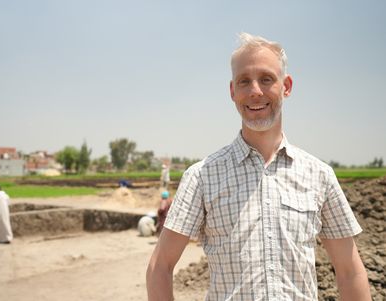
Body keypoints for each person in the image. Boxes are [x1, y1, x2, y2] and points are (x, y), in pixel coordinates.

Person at [146, 33, 371, 301]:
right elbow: (160, 267)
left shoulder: (319, 175)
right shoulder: (201, 177)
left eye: (266, 79)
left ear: (286, 86)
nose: (255, 91)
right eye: (244, 81)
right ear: (232, 91)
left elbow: (349, 272)